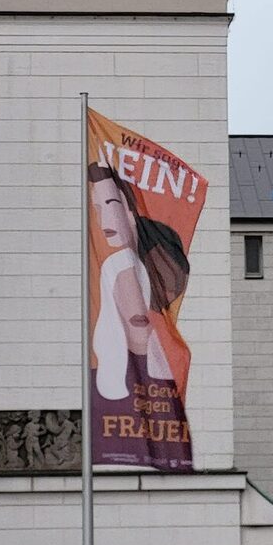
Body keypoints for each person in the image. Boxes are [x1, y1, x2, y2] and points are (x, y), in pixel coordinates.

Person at [87, 163, 191, 400]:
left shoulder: (162, 253)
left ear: (132, 211)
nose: (103, 220)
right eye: (96, 208)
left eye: (111, 205)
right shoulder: (96, 386)